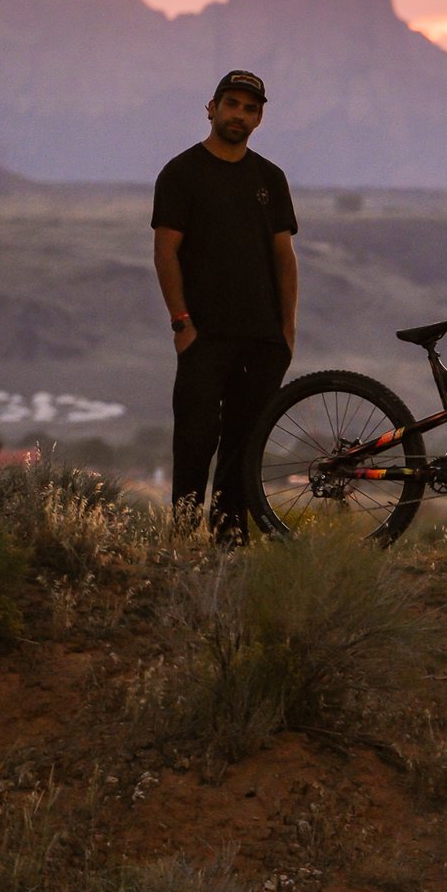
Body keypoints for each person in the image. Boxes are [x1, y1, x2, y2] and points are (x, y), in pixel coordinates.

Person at [151, 69, 298, 541]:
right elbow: (165, 251)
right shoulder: (181, 173)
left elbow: (284, 258)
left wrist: (286, 331)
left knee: (243, 447)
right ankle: (180, 542)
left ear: (259, 118)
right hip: (203, 336)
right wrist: (182, 324)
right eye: (231, 104)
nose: (240, 114)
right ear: (211, 108)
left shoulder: (269, 178)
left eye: (250, 108)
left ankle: (228, 546)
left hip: (262, 338)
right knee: (194, 442)